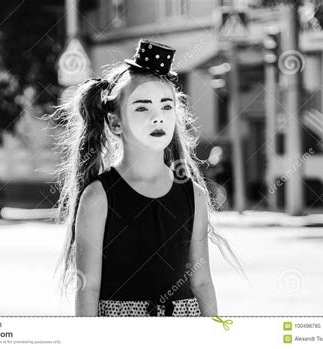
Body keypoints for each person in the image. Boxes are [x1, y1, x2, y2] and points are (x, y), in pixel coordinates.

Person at [52, 39, 245, 317]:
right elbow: (88, 288)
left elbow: (202, 282)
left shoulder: (193, 194)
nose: (158, 118)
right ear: (115, 122)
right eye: (142, 108)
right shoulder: (99, 197)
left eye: (166, 107)